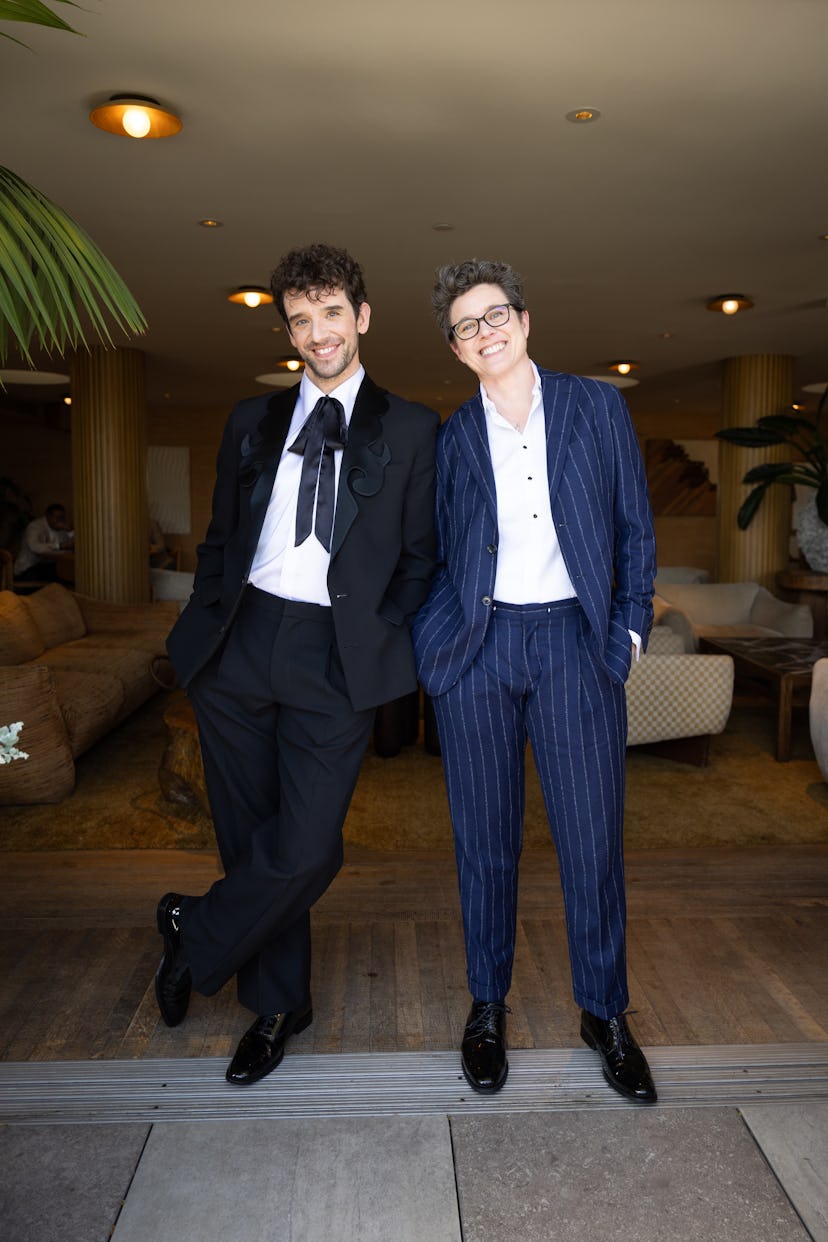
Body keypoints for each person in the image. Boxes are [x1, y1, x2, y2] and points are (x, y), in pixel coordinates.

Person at [156, 243, 439, 1085]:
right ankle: (280, 1006)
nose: (318, 333)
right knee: (252, 836)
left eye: (331, 313)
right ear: (287, 329)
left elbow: (422, 559)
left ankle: (192, 929)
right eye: (301, 319)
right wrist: (203, 630)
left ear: (363, 316)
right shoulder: (250, 420)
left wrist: (381, 636)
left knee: (308, 846)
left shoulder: (413, 428)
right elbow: (219, 539)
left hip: (337, 654)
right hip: (239, 643)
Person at [413, 259, 658, 1102]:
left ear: (524, 321)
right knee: (485, 843)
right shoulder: (451, 437)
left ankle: (605, 1013)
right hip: (479, 653)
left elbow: (634, 529)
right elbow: (434, 552)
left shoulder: (597, 406)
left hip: (574, 646)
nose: (485, 333)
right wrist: (439, 643)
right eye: (466, 326)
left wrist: (626, 634)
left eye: (495, 316)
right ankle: (487, 1007)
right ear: (456, 348)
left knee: (593, 842)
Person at [13, 503, 73, 582]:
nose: (60, 521)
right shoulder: (35, 526)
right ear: (48, 516)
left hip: (47, 566)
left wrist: (70, 531)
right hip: (27, 569)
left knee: (67, 571)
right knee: (61, 574)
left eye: (62, 518)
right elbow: (35, 547)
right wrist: (59, 545)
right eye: (57, 518)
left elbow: (71, 546)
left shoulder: (62, 529)